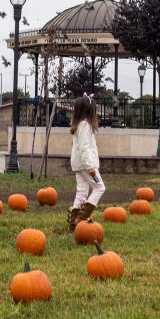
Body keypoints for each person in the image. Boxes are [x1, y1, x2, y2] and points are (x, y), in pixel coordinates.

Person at [67, 94, 105, 231]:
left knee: (82, 192)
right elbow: (84, 147)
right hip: (85, 164)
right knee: (100, 188)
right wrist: (90, 166)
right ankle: (81, 220)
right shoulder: (85, 125)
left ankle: (73, 224)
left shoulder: (79, 124)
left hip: (78, 164)